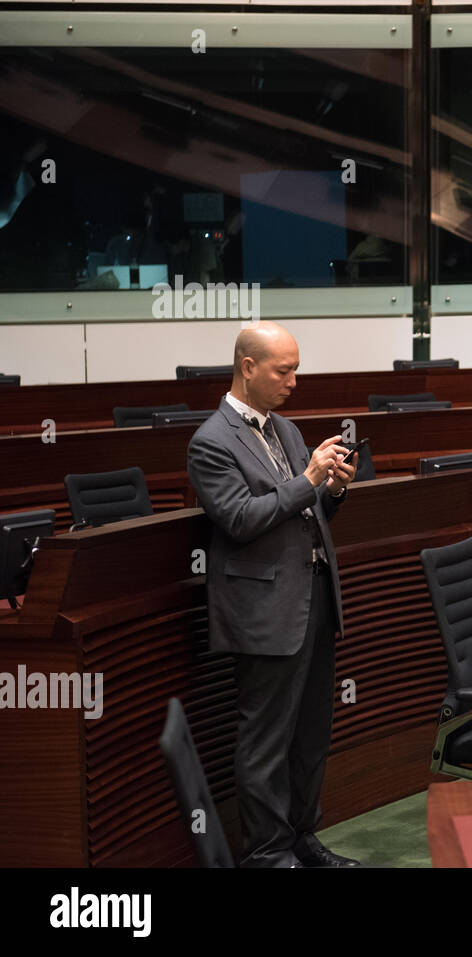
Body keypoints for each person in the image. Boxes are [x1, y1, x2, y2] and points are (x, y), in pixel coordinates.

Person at [186, 322, 360, 867]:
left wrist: (330, 490)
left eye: (296, 369)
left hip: (312, 599)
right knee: (266, 740)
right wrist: (308, 480)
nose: (293, 380)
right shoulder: (210, 442)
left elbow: (302, 511)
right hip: (264, 611)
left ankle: (303, 837)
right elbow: (239, 519)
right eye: (284, 370)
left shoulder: (284, 428)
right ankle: (267, 853)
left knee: (310, 734)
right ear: (247, 367)